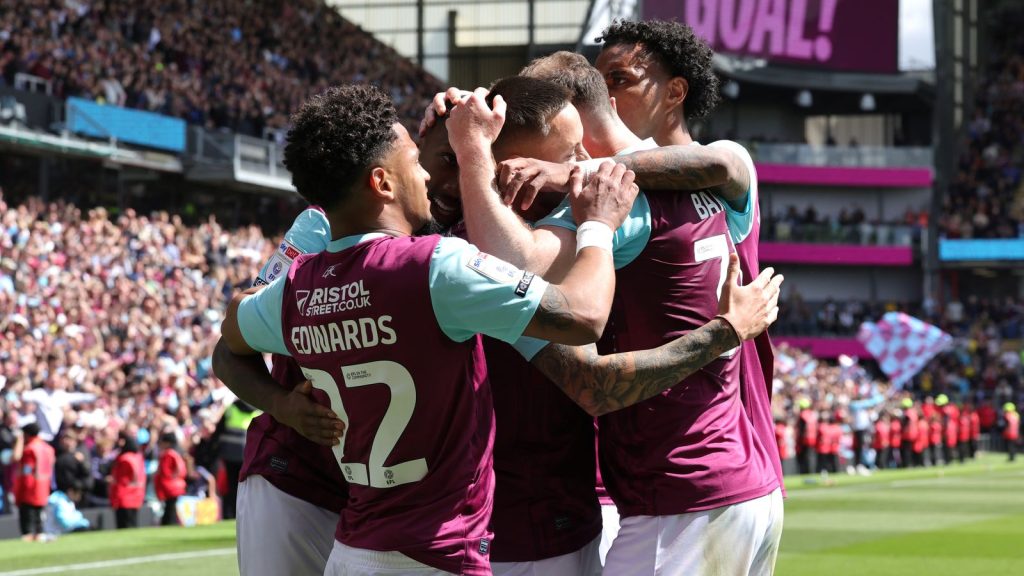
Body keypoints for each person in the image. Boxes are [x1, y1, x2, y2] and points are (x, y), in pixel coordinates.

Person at [219, 84, 637, 575]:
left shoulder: (322, 278)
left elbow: (236, 327)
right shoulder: (419, 257)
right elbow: (582, 319)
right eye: (434, 160)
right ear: (383, 181)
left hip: (365, 516)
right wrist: (285, 406)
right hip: (307, 487)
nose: (444, 178)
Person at [423, 77, 781, 574]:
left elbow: (724, 162)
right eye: (565, 157)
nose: (573, 172)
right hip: (525, 535)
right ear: (510, 170)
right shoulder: (487, 264)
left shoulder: (534, 238)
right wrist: (723, 331)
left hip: (588, 511)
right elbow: (594, 382)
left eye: (577, 155)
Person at [13, 423, 54, 541]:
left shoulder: (29, 449)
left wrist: (20, 490)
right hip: (44, 487)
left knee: (28, 520)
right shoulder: (47, 448)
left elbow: (26, 470)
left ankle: (29, 537)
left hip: (30, 488)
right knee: (39, 518)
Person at [109, 433, 146, 529]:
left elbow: (120, 479)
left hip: (124, 496)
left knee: (124, 525)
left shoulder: (124, 459)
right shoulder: (138, 457)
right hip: (137, 494)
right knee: (133, 523)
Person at [155, 433, 187, 526]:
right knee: (171, 509)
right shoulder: (176, 453)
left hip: (170, 486)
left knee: (169, 511)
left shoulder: (167, 455)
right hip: (177, 485)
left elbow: (165, 472)